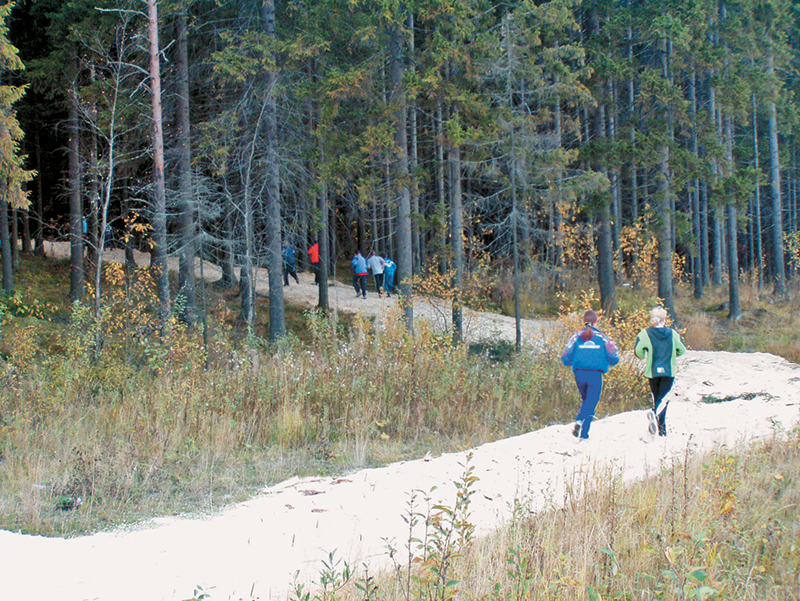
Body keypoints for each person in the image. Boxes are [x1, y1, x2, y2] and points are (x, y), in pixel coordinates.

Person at [560, 310, 620, 440]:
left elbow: (564, 356)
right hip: (596, 374)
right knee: (591, 403)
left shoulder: (576, 337)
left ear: (583, 321)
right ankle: (582, 428)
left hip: (579, 373)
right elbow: (614, 356)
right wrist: (608, 362)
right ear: (596, 322)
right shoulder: (603, 338)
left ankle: (582, 429)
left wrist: (572, 362)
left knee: (587, 401)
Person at [634, 306, 686, 437]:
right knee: (664, 400)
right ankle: (656, 417)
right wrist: (674, 354)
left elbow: (638, 352)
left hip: (652, 372)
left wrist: (645, 354)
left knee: (657, 398)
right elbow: (682, 350)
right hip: (668, 372)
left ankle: (661, 429)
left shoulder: (645, 334)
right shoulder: (673, 333)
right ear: (665, 319)